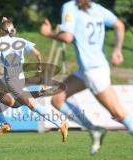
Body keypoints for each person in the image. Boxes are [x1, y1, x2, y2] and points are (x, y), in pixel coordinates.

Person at [40, 0, 133, 155]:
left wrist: (48, 33)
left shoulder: (70, 7)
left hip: (93, 71)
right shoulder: (97, 8)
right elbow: (120, 25)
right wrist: (117, 50)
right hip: (88, 70)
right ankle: (95, 130)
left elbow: (68, 37)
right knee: (57, 98)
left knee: (119, 113)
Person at [0, 18, 69, 142]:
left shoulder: (0, 41)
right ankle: (4, 123)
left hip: (12, 81)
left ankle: (60, 123)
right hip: (17, 78)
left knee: (32, 105)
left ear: (1, 30)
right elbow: (38, 53)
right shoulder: (21, 40)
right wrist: (39, 65)